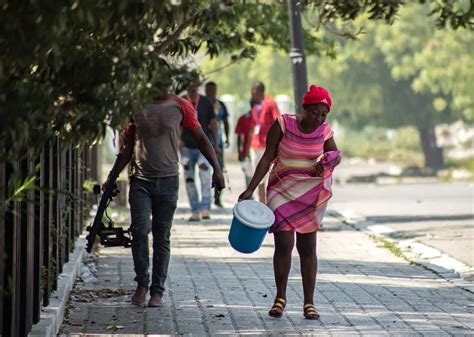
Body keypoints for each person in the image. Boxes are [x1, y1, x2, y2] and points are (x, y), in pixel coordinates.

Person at [102, 73, 225, 308]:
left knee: (161, 236)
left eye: (165, 83)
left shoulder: (181, 105)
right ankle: (142, 283)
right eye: (158, 83)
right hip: (140, 180)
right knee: (139, 230)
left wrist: (216, 169)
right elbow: (127, 147)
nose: (163, 87)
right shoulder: (136, 106)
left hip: (168, 181)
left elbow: (201, 137)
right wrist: (112, 176)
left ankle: (157, 290)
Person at [238, 85, 341, 320]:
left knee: (307, 248)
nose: (319, 118)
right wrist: (251, 189)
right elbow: (266, 159)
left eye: (324, 114)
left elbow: (336, 155)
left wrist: (326, 160)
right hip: (281, 191)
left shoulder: (325, 132)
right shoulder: (283, 124)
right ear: (304, 108)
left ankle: (309, 303)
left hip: (308, 194)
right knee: (283, 244)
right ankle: (280, 298)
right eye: (315, 112)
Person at [181, 82, 220, 221]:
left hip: (203, 146)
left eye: (195, 87)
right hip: (187, 147)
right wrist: (179, 142)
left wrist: (215, 144)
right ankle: (195, 210)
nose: (192, 90)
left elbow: (213, 123)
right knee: (189, 178)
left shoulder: (206, 102)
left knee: (205, 177)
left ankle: (205, 208)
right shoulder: (181, 101)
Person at [249, 81, 280, 202]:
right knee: (257, 174)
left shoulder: (270, 103)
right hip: (255, 143)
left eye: (255, 92)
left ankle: (268, 200)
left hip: (266, 143)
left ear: (260, 91)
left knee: (267, 173)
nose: (253, 94)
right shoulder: (253, 104)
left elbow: (278, 119)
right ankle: (261, 201)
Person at [205, 81, 230, 207]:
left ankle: (218, 197)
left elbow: (226, 121)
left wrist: (227, 138)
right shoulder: (203, 104)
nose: (211, 93)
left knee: (219, 168)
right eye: (209, 91)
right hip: (204, 141)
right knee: (204, 170)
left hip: (218, 141)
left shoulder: (220, 105)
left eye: (213, 91)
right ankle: (205, 200)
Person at [235, 103, 256, 187]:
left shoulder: (263, 119)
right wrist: (239, 152)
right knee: (249, 176)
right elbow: (239, 136)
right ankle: (250, 197)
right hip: (246, 152)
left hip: (260, 152)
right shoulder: (243, 118)